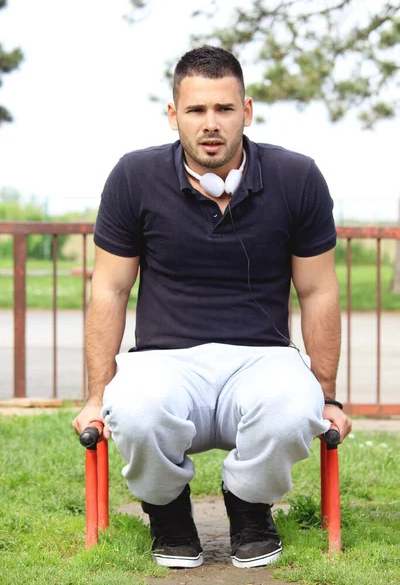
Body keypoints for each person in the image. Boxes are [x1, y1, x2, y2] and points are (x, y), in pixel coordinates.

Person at [72, 45, 352, 570]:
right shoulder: (134, 177)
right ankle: (168, 512)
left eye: (224, 109)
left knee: (297, 406)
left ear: (246, 112)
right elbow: (109, 289)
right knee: (132, 407)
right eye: (196, 110)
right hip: (165, 360)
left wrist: (329, 396)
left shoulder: (297, 177)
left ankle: (248, 507)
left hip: (263, 358)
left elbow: (318, 292)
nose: (210, 124)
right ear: (174, 115)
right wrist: (94, 397)